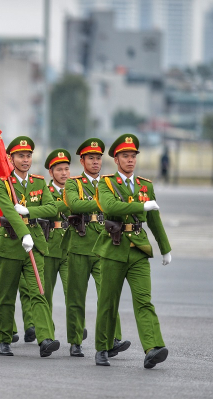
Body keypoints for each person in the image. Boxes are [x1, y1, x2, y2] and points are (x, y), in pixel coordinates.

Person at [94, 134, 171, 368]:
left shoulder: (145, 185)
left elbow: (154, 220)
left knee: (144, 300)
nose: (130, 160)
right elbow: (110, 206)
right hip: (113, 248)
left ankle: (153, 347)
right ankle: (102, 348)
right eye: (125, 156)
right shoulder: (105, 183)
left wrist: (165, 249)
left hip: (138, 249)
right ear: (116, 159)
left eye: (133, 156)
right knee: (108, 302)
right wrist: (140, 205)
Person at [0, 136, 59, 357]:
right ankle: (3, 338)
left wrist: (30, 212)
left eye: (28, 155)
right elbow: (8, 211)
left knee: (38, 291)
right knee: (6, 294)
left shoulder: (39, 183)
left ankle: (46, 338)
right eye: (20, 156)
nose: (25, 160)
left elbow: (51, 208)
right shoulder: (3, 183)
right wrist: (23, 233)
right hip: (11, 243)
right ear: (11, 158)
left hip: (34, 245)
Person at [63, 138, 128, 358]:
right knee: (76, 296)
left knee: (109, 295)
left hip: (104, 246)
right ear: (82, 161)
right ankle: (75, 340)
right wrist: (105, 202)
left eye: (99, 158)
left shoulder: (110, 182)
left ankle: (114, 338)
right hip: (79, 245)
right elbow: (74, 204)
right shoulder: (74, 183)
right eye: (91, 158)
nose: (96, 162)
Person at [42, 149, 72, 336]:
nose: (64, 173)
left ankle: (75, 332)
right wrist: (70, 202)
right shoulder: (44, 191)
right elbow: (48, 211)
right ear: (51, 172)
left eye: (67, 169)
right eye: (59, 169)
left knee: (73, 294)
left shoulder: (76, 190)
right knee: (46, 295)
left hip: (70, 246)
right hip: (49, 246)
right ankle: (47, 334)